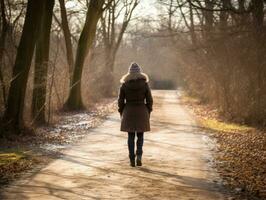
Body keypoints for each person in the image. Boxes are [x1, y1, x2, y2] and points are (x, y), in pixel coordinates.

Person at [118, 62, 153, 167]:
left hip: (129, 111)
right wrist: (148, 110)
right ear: (140, 72)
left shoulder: (124, 85)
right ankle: (139, 156)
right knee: (140, 136)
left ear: (129, 73)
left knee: (131, 136)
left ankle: (132, 159)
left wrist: (122, 111)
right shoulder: (145, 84)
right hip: (142, 111)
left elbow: (120, 101)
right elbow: (150, 100)